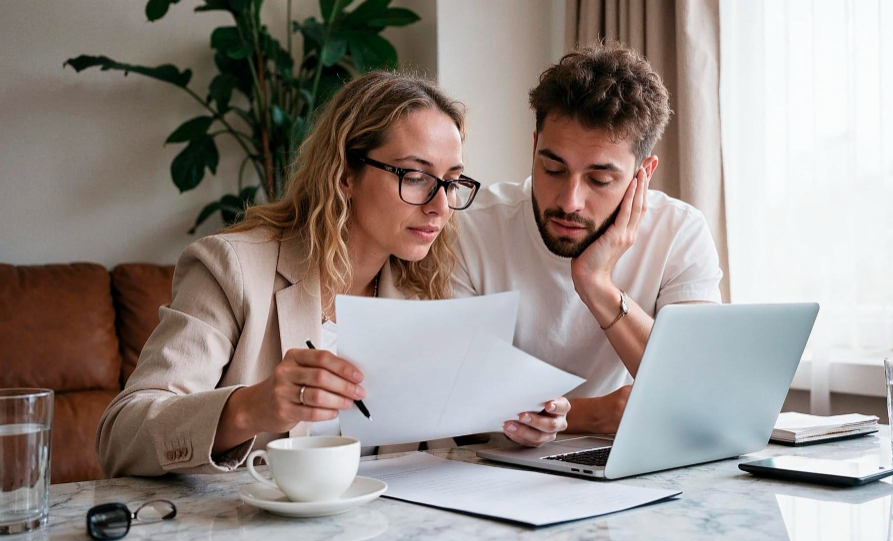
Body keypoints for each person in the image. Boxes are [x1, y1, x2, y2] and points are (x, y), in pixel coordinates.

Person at [97, 71, 570, 477]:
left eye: (450, 181)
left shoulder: (427, 293)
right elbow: (122, 435)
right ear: (345, 172)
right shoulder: (232, 269)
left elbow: (448, 436)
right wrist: (249, 407)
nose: (441, 206)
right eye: (415, 175)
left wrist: (520, 420)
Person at [453, 42, 723, 442]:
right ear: (533, 148)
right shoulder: (471, 226)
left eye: (599, 179)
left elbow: (700, 397)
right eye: (552, 168)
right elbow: (454, 401)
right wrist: (590, 415)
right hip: (493, 469)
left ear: (642, 175)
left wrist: (596, 284)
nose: (568, 201)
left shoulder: (679, 232)